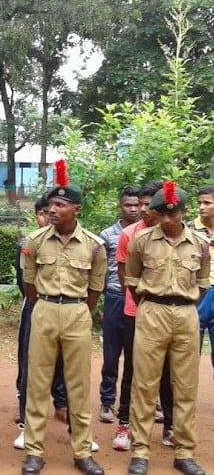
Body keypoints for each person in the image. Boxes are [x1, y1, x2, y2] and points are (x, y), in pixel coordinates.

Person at [20, 160, 106, 475]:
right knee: (38, 384)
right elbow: (29, 284)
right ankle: (34, 452)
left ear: (77, 209)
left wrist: (77, 309)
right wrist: (45, 305)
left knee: (78, 386)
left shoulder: (95, 247)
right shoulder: (35, 241)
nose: (53, 209)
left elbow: (95, 289)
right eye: (51, 204)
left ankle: (82, 452)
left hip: (77, 312)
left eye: (61, 204)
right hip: (43, 309)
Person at [125, 182, 209, 475]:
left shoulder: (200, 244)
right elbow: (132, 280)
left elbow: (202, 282)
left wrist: (182, 305)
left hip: (186, 314)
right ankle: (140, 452)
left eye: (172, 214)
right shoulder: (142, 241)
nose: (166, 220)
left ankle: (184, 451)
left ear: (183, 212)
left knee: (185, 386)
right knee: (145, 384)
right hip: (152, 312)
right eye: (161, 214)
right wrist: (153, 304)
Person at [112, 180, 174, 451]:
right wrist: (144, 303)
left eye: (150, 205)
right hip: (135, 311)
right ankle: (124, 424)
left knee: (167, 371)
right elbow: (125, 275)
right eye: (142, 204)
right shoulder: (130, 235)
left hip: (169, 315)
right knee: (133, 370)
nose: (144, 210)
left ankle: (170, 426)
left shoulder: (176, 235)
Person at [13, 194, 68, 450]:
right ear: (36, 216)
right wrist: (40, 305)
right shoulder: (28, 244)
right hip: (36, 309)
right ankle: (26, 425)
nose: (48, 216)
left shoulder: (75, 243)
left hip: (67, 312)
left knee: (68, 366)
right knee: (30, 367)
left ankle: (70, 418)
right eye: (43, 212)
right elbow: (24, 283)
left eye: (54, 210)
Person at [98, 186, 140, 423]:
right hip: (115, 297)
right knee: (111, 354)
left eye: (136, 205)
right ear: (120, 206)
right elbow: (100, 272)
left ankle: (136, 401)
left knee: (138, 354)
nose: (133, 209)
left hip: (139, 298)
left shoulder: (147, 233)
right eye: (128, 205)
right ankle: (107, 401)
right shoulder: (107, 235)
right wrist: (104, 303)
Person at [189, 185, 214, 372]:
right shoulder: (189, 229)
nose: (201, 207)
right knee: (188, 353)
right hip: (197, 292)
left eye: (207, 203)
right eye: (200, 203)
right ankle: (182, 400)